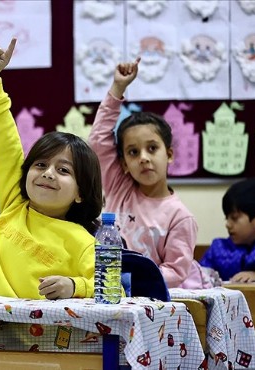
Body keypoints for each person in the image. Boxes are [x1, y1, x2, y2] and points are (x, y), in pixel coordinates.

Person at [0, 38, 103, 300]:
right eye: (41, 164)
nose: (48, 173)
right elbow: (4, 140)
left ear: (80, 193)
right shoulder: (15, 205)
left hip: (39, 340)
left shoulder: (82, 242)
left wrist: (74, 286)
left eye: (64, 170)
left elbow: (115, 290)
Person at [87, 58, 209, 289]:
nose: (143, 157)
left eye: (152, 148)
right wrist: (117, 89)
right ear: (123, 164)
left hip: (151, 302)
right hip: (109, 292)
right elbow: (98, 141)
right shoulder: (118, 187)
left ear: (170, 154)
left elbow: (175, 270)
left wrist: (131, 281)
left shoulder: (180, 217)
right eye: (133, 152)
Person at [200, 178, 255, 283]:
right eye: (227, 218)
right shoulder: (217, 249)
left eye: (234, 218)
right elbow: (199, 275)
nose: (227, 224)